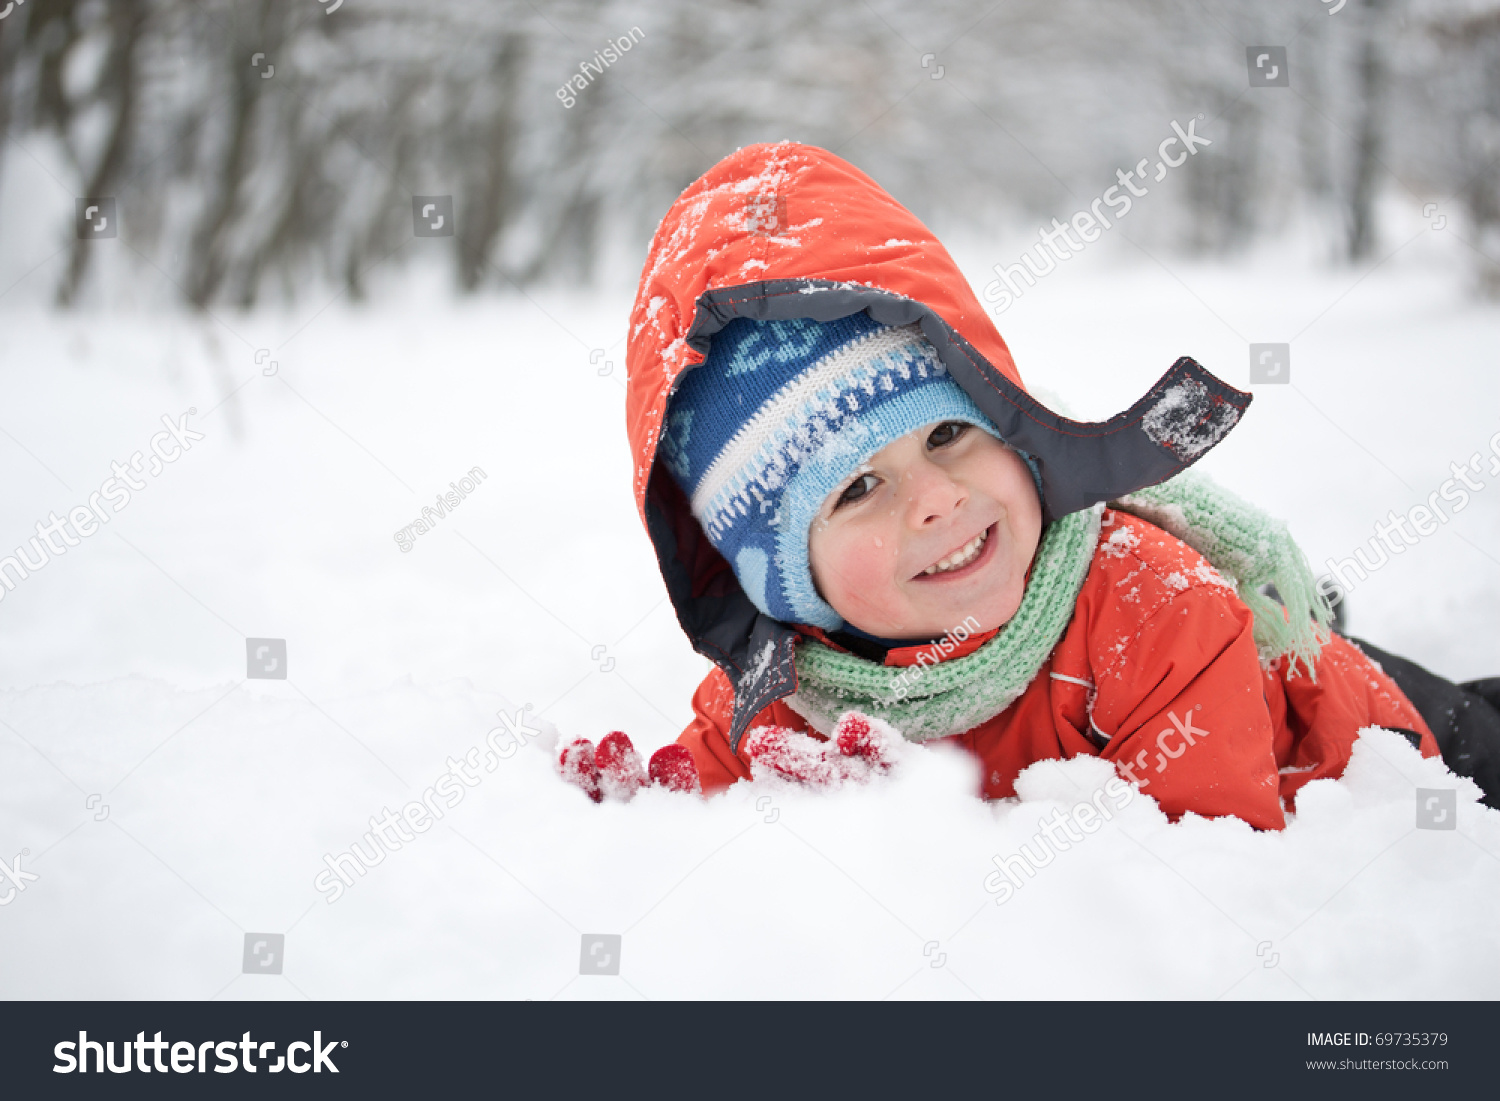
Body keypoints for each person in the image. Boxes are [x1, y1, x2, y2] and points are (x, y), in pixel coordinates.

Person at [559, 141, 1500, 825]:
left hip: (1375, 733)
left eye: (949, 433)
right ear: (779, 583)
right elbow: (706, 805)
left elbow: (1200, 881)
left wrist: (934, 847)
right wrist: (647, 814)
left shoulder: (1152, 612)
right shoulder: (782, 694)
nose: (934, 498)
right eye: (854, 491)